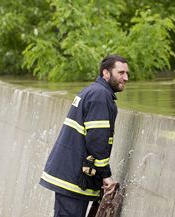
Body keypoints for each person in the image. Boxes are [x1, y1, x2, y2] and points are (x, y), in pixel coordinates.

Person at [40, 54, 129, 217]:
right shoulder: (100, 96)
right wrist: (106, 175)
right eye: (121, 73)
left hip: (70, 173)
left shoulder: (93, 91)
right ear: (106, 73)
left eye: (127, 73)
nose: (126, 77)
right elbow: (97, 140)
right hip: (72, 179)